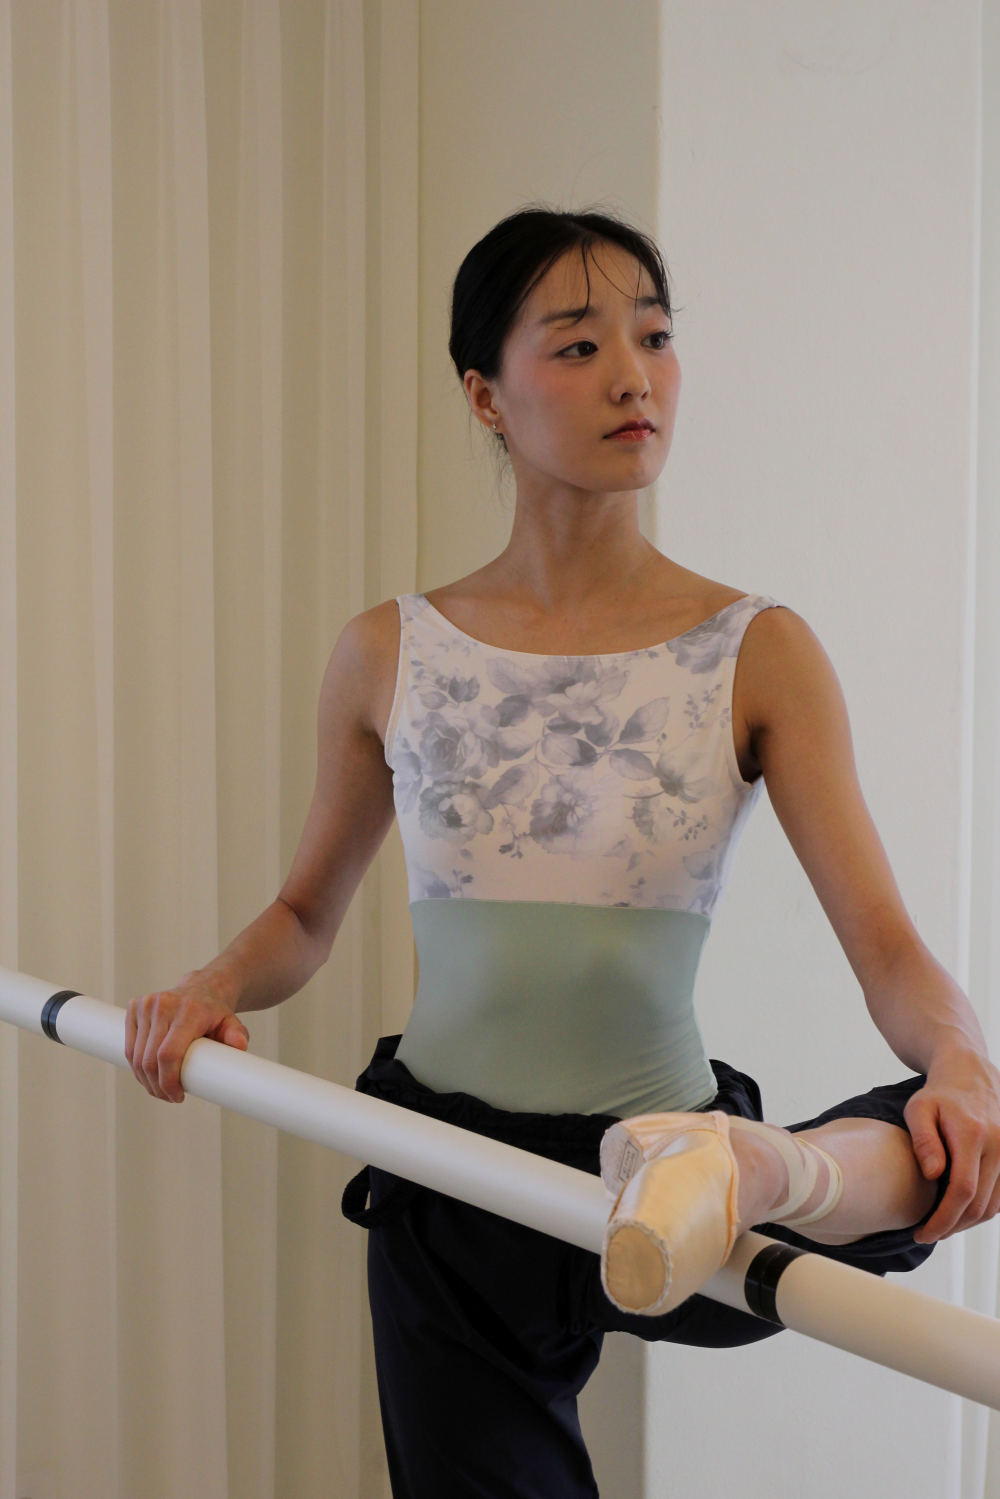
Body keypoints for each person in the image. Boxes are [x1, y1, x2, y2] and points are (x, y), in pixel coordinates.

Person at [126, 208, 1000, 1497]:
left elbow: (886, 949)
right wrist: (207, 986)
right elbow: (305, 916)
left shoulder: (759, 650)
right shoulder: (390, 652)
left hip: (661, 1166)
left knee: (951, 1127)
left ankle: (757, 1164)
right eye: (580, 346)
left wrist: (963, 1062)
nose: (634, 377)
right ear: (485, 394)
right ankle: (760, 1167)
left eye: (655, 337)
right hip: (453, 1178)